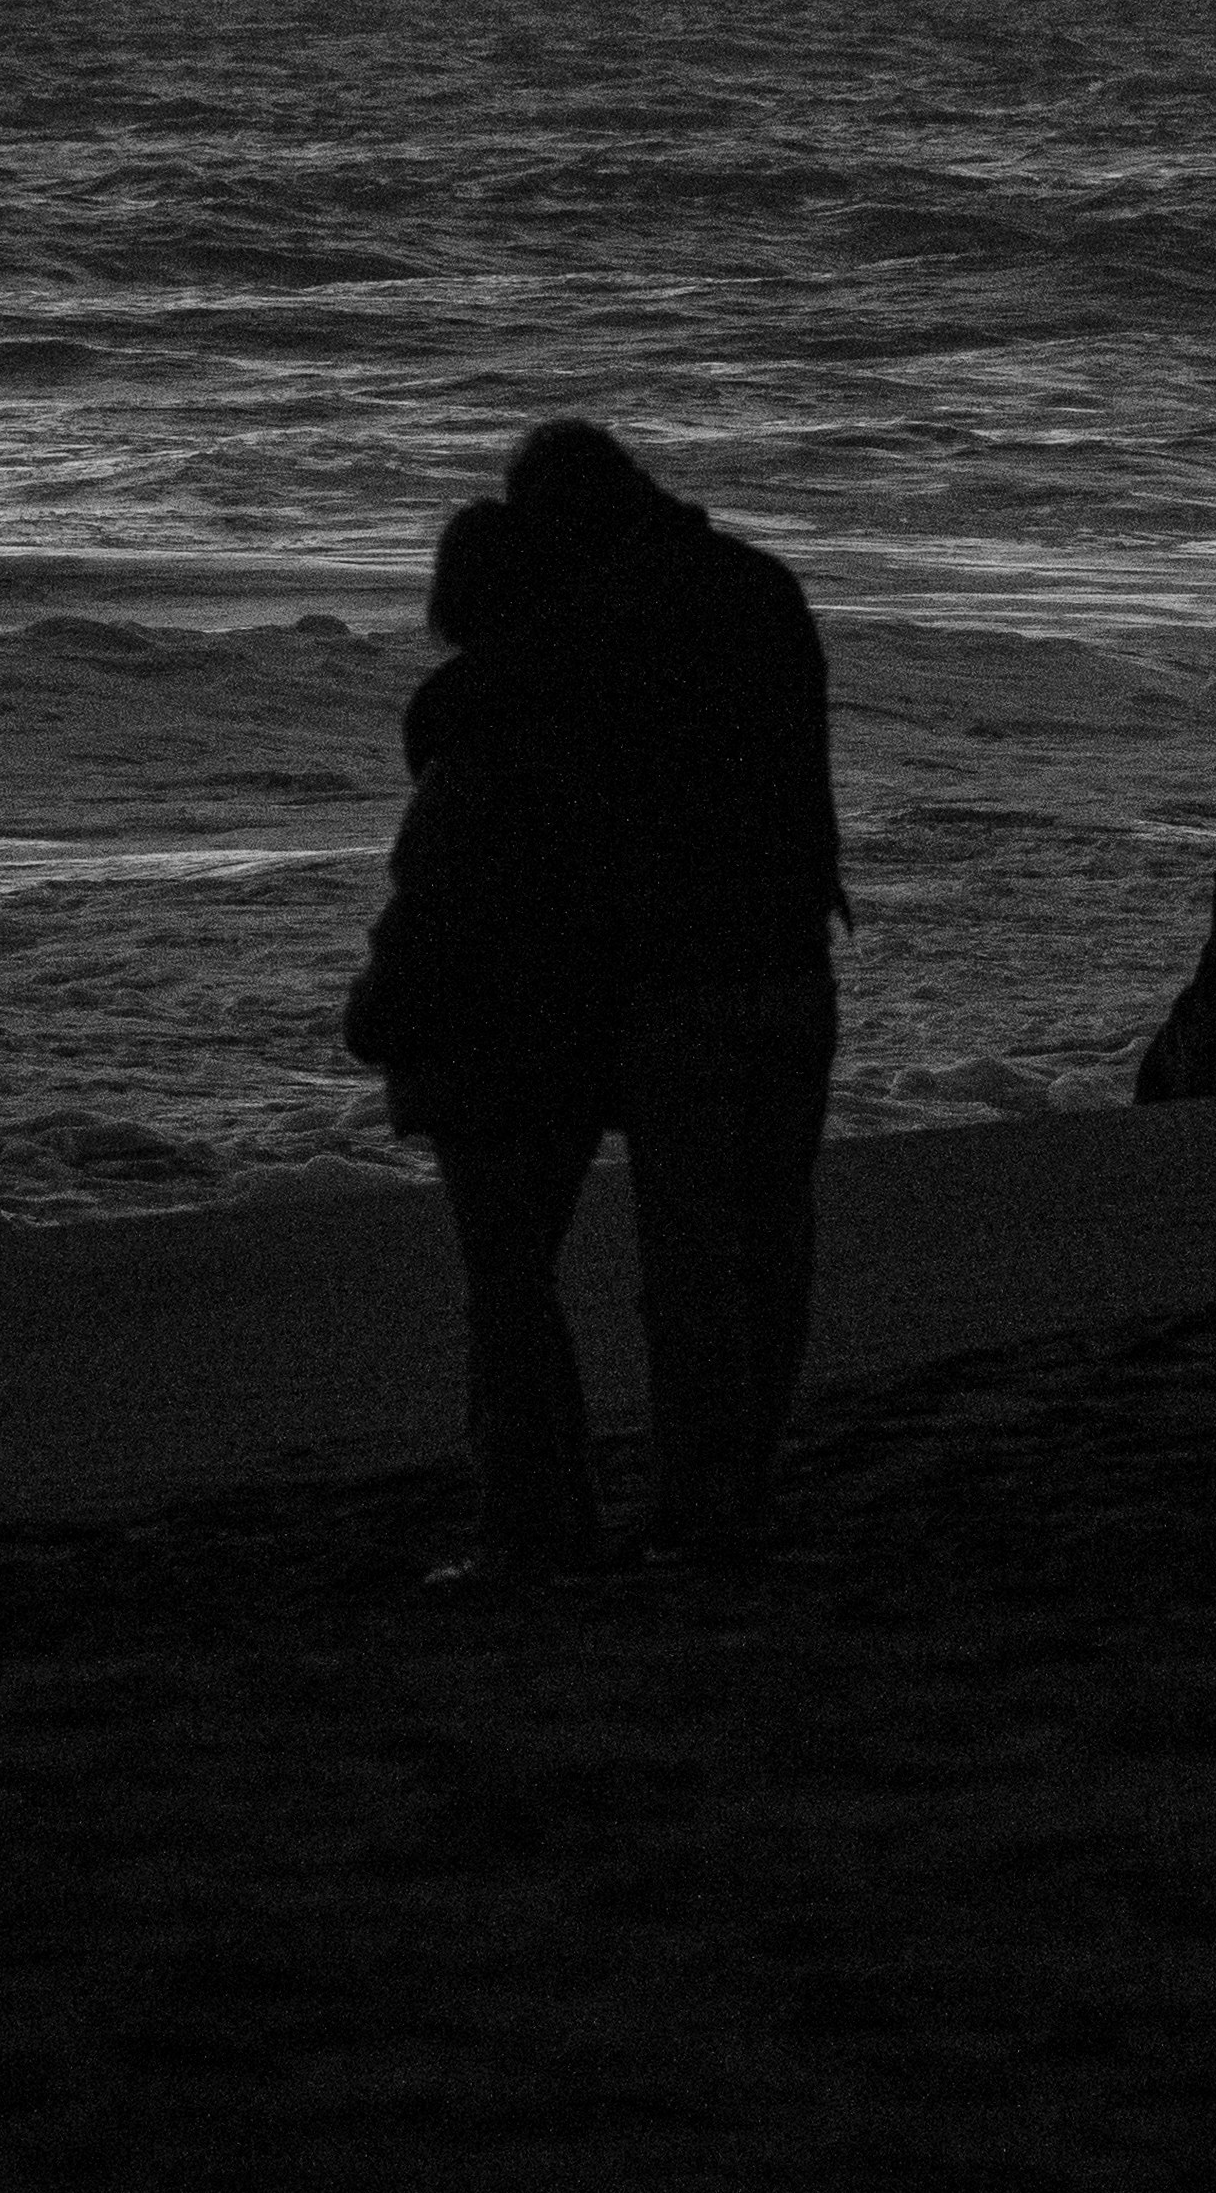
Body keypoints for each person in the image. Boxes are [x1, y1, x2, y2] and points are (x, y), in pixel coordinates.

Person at [498, 415, 845, 1562]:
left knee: (689, 1253)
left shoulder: (607, 616)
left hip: (680, 972)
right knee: (771, 1241)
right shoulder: (761, 586)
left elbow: (592, 820)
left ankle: (705, 1497)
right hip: (794, 953)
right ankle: (746, 1475)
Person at [342, 495, 626, 1576]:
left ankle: (529, 1520)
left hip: (482, 1047)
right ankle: (556, 1509)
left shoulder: (477, 739)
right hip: (568, 1038)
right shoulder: (589, 725)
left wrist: (376, 1010)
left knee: (505, 1287)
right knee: (521, 1279)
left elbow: (434, 904)